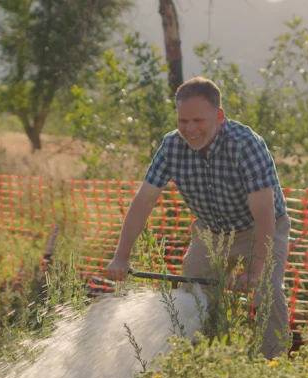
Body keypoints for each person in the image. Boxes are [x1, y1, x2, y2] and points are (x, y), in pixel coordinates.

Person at [104, 76, 291, 359]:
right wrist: (121, 256)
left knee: (267, 290)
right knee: (193, 294)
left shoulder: (246, 144)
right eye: (183, 121)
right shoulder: (171, 146)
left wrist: (255, 268)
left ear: (218, 116)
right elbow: (143, 201)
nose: (190, 129)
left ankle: (274, 367)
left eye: (198, 121)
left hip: (259, 228)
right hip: (211, 232)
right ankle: (200, 362)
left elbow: (264, 211)